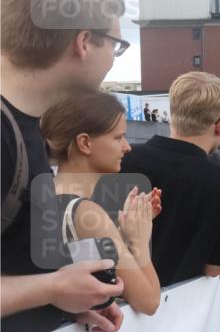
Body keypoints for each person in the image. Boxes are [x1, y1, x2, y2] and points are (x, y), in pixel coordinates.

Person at [1, 0, 127, 332]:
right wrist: (52, 288)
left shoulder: (28, 125)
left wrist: (63, 303)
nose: (114, 58)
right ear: (84, 42)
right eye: (117, 45)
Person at [115, 71, 220, 286]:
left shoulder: (121, 159)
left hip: (113, 296)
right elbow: (214, 268)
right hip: (182, 299)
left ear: (172, 113)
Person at [42, 90, 160, 315]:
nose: (127, 147)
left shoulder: (45, 196)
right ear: (85, 143)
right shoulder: (85, 213)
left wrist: (121, 233)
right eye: (118, 137)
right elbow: (149, 301)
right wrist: (139, 239)